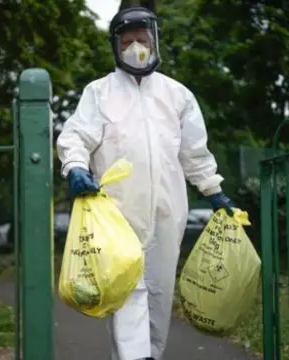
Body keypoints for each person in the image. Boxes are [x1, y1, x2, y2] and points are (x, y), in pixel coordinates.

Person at [56, 6, 235, 360]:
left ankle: (151, 354)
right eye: (128, 40)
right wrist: (75, 166)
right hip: (117, 215)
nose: (135, 46)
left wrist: (214, 190)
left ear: (154, 41)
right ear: (116, 45)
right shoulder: (100, 92)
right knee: (127, 290)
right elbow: (76, 136)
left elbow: (194, 153)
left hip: (168, 212)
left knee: (158, 290)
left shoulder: (177, 96)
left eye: (141, 39)